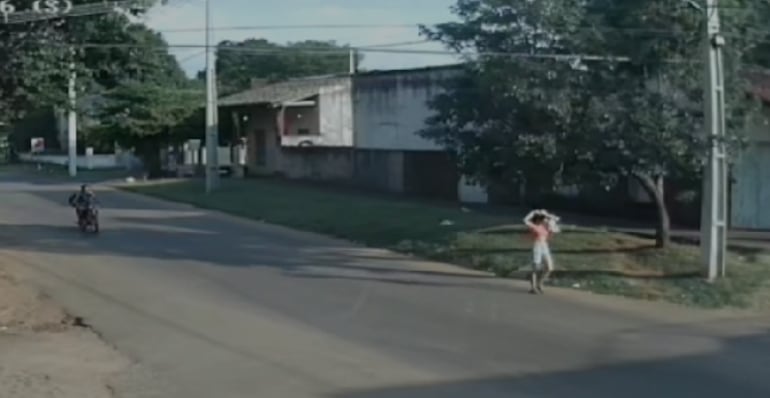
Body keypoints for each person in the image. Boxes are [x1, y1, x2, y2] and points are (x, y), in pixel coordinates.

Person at [523, 209, 560, 294]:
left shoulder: (548, 226)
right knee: (536, 267)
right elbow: (525, 220)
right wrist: (533, 213)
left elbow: (556, 226)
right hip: (537, 246)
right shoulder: (536, 225)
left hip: (544, 246)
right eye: (543, 217)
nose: (545, 219)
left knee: (550, 267)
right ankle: (533, 288)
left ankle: (540, 283)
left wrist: (550, 217)